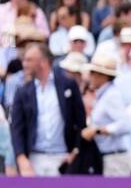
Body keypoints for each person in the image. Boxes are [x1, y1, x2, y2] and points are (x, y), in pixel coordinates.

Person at [10, 41, 87, 176]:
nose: (24, 64)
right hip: (34, 159)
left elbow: (80, 120)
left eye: (29, 60)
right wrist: (21, 158)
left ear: (43, 62)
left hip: (62, 158)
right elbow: (17, 128)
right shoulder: (22, 92)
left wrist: (75, 151)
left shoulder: (68, 85)